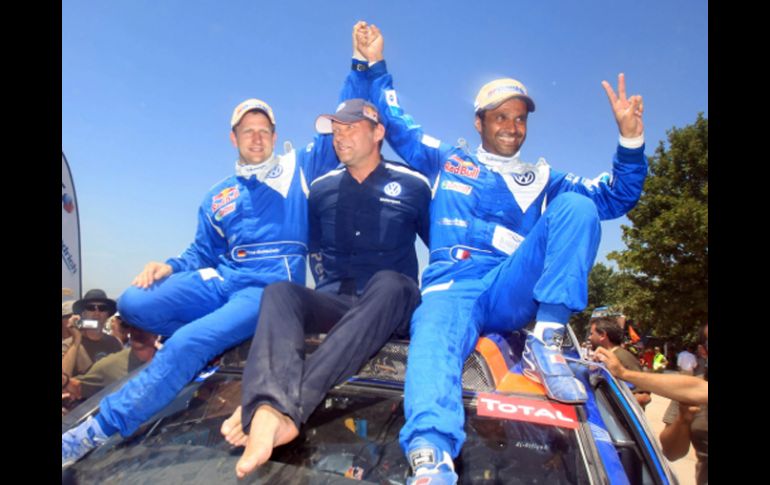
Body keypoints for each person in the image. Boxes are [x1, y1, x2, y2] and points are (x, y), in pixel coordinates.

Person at [353, 23, 647, 484]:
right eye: (501, 117)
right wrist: (373, 64)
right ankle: (431, 458)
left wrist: (630, 141)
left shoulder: (544, 178)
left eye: (520, 118)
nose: (512, 127)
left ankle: (546, 340)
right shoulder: (448, 159)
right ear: (479, 121)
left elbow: (615, 197)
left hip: (512, 287)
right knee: (432, 336)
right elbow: (394, 122)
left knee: (579, 205)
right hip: (454, 289)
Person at [62, 75, 362, 466]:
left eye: (264, 131)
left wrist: (364, 65)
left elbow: (343, 119)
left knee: (187, 342)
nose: (256, 138)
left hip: (266, 291)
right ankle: (200, 348)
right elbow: (200, 253)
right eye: (247, 131)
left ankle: (93, 431)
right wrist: (166, 266)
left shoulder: (297, 167)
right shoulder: (217, 194)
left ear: (274, 136)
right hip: (221, 281)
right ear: (233, 138)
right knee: (135, 301)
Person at [220, 97, 430, 479]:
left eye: (350, 128)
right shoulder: (319, 188)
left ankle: (286, 405)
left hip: (392, 304)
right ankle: (268, 403)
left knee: (390, 283)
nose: (340, 137)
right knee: (280, 293)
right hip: (337, 302)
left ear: (378, 132)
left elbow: (442, 251)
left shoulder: (415, 185)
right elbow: (310, 245)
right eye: (336, 130)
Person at [64, 326, 158, 402]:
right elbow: (75, 387)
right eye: (134, 325)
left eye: (145, 326)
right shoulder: (109, 365)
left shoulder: (168, 360)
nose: (138, 332)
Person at [593, 347, 707, 404]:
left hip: (671, 372)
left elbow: (697, 388)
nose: (655, 351)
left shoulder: (660, 356)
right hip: (658, 372)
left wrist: (623, 373)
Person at [588, 316, 651, 408]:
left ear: (602, 335)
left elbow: (644, 397)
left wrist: (612, 405)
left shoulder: (623, 357)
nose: (589, 338)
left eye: (592, 334)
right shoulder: (607, 356)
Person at [71, 289, 123, 364]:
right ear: (83, 313)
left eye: (102, 308)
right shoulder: (69, 344)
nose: (97, 313)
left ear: (107, 314)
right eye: (91, 308)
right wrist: (75, 343)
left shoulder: (115, 343)